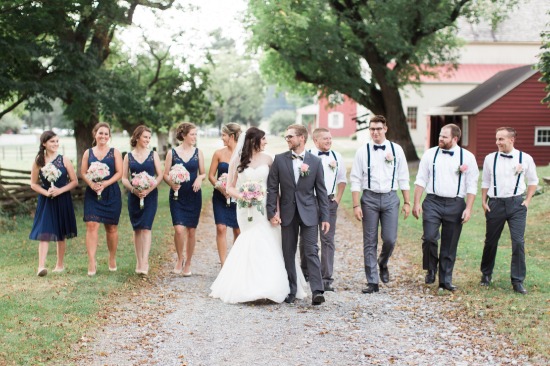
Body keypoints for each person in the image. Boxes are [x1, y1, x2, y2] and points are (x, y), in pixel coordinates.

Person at [210, 127, 307, 303]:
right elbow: (230, 187)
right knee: (250, 239)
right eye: (263, 139)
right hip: (245, 208)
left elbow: (275, 188)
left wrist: (276, 210)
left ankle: (269, 286)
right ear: (254, 140)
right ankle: (247, 285)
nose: (266, 142)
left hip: (265, 207)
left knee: (268, 240)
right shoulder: (238, 160)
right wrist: (243, 195)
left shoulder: (269, 159)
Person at [267, 124, 330, 306]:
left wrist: (325, 217)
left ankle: (317, 291)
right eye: (286, 137)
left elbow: (321, 192)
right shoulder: (279, 160)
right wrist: (272, 212)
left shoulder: (315, 162)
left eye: (290, 137)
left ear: (302, 138)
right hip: (287, 213)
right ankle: (292, 289)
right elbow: (272, 188)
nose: (287, 140)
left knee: (311, 250)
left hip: (309, 212)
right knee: (288, 252)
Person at [412, 123, 479, 291]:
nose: (440, 138)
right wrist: (416, 203)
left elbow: (472, 185)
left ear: (455, 139)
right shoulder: (430, 154)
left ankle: (445, 279)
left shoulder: (468, 157)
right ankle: (431, 268)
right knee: (429, 238)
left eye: (444, 136)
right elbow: (421, 179)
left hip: (456, 204)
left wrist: (468, 208)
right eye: (440, 135)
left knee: (450, 243)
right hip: (433, 201)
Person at [350, 115, 410, 294]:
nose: (375, 132)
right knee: (369, 240)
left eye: (378, 129)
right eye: (372, 129)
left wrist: (407, 202)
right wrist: (355, 205)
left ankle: (383, 262)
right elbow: (355, 179)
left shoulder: (396, 150)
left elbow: (404, 176)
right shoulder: (362, 151)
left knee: (390, 239)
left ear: (385, 129)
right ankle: (372, 281)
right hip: (369, 198)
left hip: (391, 197)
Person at [479, 127, 538, 295]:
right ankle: (486, 274)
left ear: (511, 140)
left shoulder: (525, 158)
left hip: (517, 205)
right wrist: (484, 202)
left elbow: (533, 180)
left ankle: (518, 281)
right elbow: (485, 181)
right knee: (491, 241)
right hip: (495, 204)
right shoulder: (490, 158)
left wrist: (527, 200)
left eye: (501, 139)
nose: (497, 142)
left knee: (518, 242)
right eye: (497, 139)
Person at [299, 127, 347, 292]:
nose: (329, 141)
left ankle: (326, 279)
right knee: (306, 238)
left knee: (328, 239)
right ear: (316, 140)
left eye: (330, 138)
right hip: (309, 201)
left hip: (329, 201)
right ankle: (305, 271)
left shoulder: (336, 156)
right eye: (325, 138)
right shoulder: (306, 156)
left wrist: (337, 200)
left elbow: (342, 180)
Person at [29, 131, 78, 276]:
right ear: (44, 143)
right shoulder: (39, 161)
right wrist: (47, 193)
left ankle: (60, 265)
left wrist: (60, 190)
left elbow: (74, 181)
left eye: (57, 141)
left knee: (60, 231)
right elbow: (33, 184)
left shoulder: (64, 160)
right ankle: (41, 267)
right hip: (46, 201)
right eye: (52, 141)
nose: (56, 144)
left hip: (62, 199)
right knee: (45, 231)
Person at [163, 122, 205, 276]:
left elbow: (203, 173)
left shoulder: (198, 152)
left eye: (196, 134)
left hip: (193, 195)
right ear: (184, 135)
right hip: (177, 196)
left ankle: (188, 263)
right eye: (192, 134)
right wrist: (172, 183)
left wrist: (200, 179)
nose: (195, 137)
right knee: (179, 230)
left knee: (191, 230)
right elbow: (165, 174)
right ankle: (180, 258)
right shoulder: (172, 153)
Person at [81, 122, 123, 276]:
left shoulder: (115, 153)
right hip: (93, 193)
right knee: (92, 225)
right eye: (100, 133)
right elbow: (83, 172)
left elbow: (119, 173)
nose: (103, 136)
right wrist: (92, 184)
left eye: (106, 134)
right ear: (95, 134)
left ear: (109, 136)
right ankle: (92, 261)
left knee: (111, 228)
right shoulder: (88, 153)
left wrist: (105, 183)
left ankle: (112, 258)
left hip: (111, 192)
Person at [122, 125, 163, 275]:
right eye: (145, 137)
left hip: (150, 195)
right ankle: (138, 261)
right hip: (134, 196)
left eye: (149, 138)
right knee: (137, 228)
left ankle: (145, 262)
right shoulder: (128, 156)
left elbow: (159, 175)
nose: (147, 140)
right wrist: (134, 189)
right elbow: (124, 178)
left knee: (146, 227)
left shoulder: (153, 155)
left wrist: (148, 189)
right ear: (137, 137)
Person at [207, 123, 241, 267]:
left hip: (238, 197)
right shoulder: (218, 153)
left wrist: (235, 190)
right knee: (221, 228)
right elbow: (211, 176)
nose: (222, 138)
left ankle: (235, 261)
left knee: (238, 230)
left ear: (231, 136)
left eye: (223, 135)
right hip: (220, 196)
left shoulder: (243, 154)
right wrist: (221, 187)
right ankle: (223, 263)